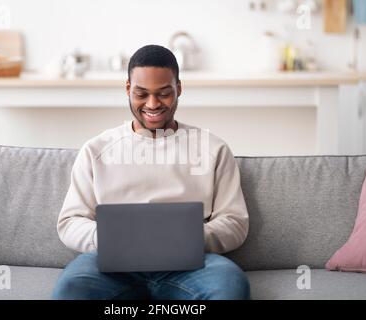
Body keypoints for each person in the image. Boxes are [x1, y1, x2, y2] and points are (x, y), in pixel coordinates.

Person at [52, 45, 250, 300]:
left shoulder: (213, 149)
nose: (153, 104)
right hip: (113, 267)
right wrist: (108, 239)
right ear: (127, 89)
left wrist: (191, 239)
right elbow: (70, 221)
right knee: (71, 289)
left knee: (231, 286)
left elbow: (235, 222)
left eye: (164, 93)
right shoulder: (96, 150)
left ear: (179, 89)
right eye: (141, 94)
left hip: (192, 266)